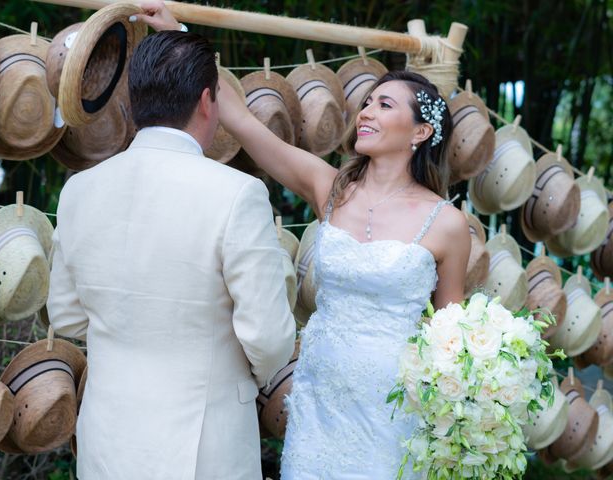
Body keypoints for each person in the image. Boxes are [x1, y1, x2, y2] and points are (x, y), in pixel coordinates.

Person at [148, 5, 471, 479]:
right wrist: (180, 34)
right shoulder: (331, 188)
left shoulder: (447, 223)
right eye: (367, 101)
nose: (366, 111)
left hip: (396, 410)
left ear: (421, 132)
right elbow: (244, 123)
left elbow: (452, 335)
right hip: (319, 399)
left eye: (385, 105)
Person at [47, 16, 296, 480]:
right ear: (207, 101)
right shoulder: (237, 193)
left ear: (133, 99)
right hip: (205, 443)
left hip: (107, 436)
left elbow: (65, 316)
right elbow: (268, 338)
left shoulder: (80, 190)